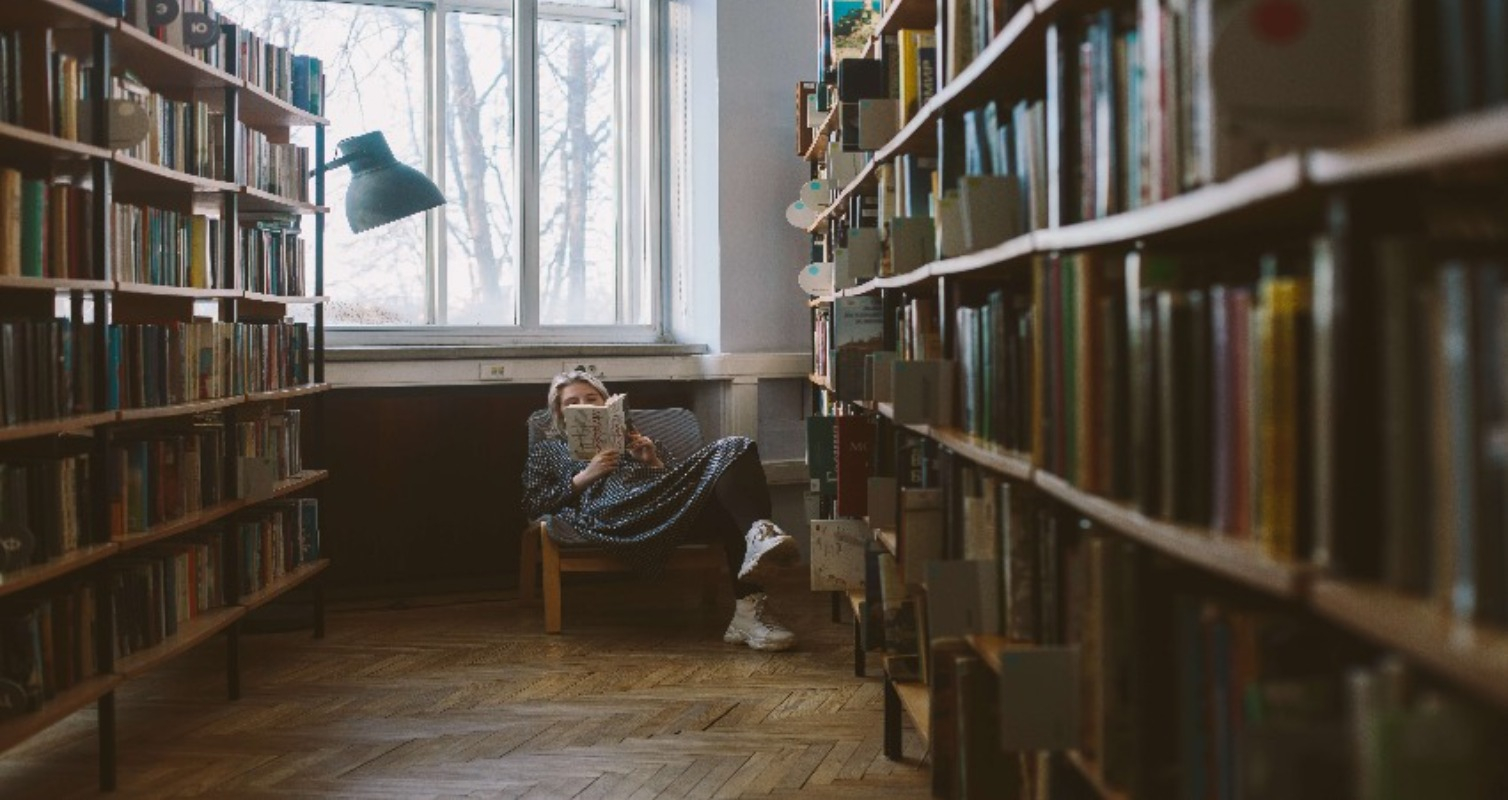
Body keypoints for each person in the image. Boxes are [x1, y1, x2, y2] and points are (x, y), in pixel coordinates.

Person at [521, 369, 802, 651]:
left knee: (736, 447)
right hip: (615, 516)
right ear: (559, 411)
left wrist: (652, 460)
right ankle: (757, 549)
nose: (584, 405)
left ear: (606, 404)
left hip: (663, 508)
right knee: (730, 481)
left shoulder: (634, 439)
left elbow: (675, 481)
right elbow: (534, 504)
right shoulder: (548, 450)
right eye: (572, 402)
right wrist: (584, 477)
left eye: (591, 398)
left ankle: (748, 610)